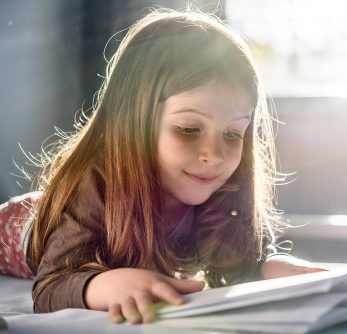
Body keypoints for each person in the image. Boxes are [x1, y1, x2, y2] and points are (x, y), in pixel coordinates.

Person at [0, 8, 325, 324]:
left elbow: (241, 261)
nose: (214, 154)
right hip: (20, 223)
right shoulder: (92, 185)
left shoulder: (224, 187)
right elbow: (52, 285)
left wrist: (272, 266)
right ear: (135, 123)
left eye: (232, 133)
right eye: (188, 129)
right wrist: (108, 284)